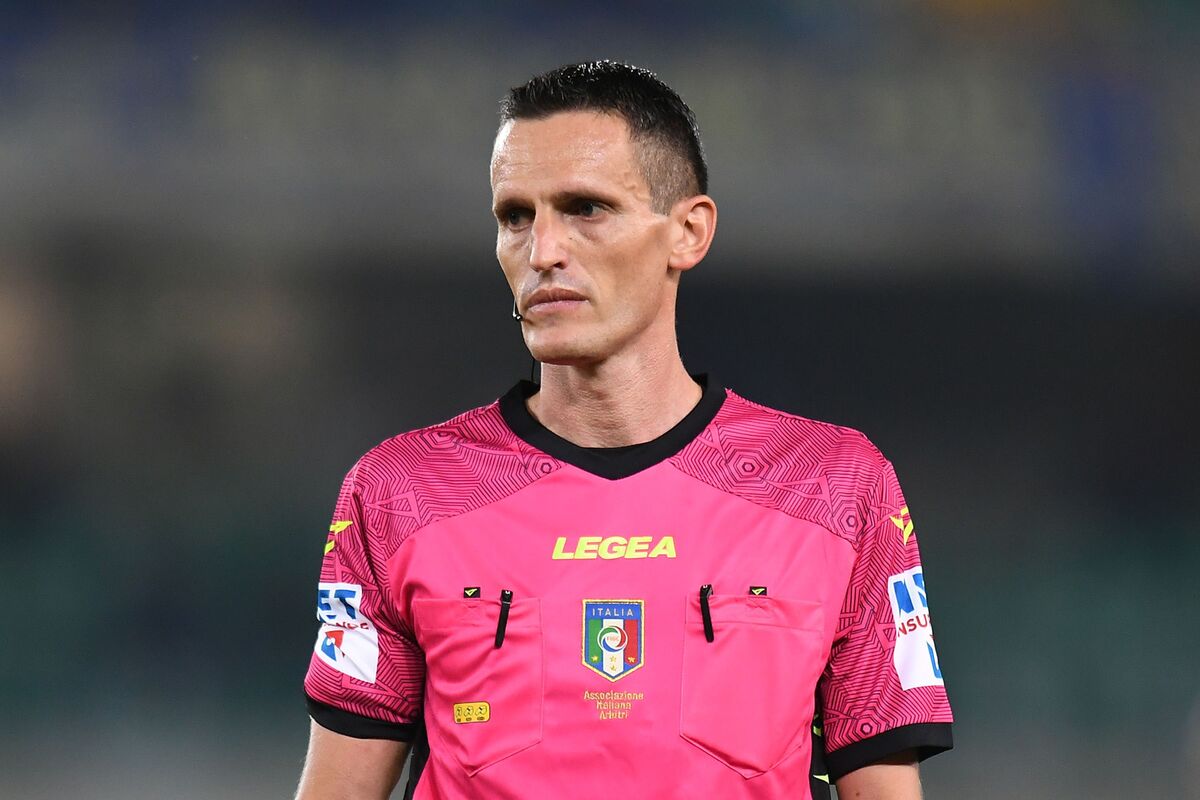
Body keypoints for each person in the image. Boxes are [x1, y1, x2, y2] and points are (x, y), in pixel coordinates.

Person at [296, 60, 952, 800]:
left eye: (585, 208)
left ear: (688, 233)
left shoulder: (834, 485)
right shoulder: (400, 492)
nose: (541, 251)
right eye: (516, 216)